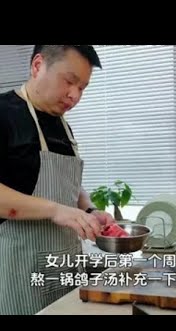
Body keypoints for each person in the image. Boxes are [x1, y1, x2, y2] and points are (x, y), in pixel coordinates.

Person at [0, 45, 115, 315]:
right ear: (38, 66)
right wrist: (55, 211)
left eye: (83, 88)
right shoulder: (4, 114)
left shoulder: (61, 124)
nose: (74, 95)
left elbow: (69, 183)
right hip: (17, 269)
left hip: (63, 266)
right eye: (69, 81)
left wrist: (89, 209)